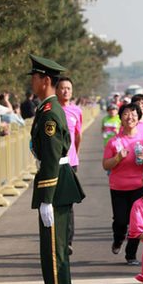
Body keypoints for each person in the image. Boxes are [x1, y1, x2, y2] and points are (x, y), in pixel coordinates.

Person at [26, 54, 85, 284]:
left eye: (34, 77)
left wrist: (46, 198)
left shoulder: (50, 113)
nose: (32, 82)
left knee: (54, 252)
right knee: (51, 250)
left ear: (45, 80)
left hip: (55, 185)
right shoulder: (46, 109)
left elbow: (51, 158)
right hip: (55, 182)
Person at [103, 103, 143, 265]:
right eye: (126, 114)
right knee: (120, 220)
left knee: (137, 222)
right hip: (118, 187)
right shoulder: (114, 142)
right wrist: (118, 158)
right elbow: (105, 165)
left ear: (139, 118)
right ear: (120, 118)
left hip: (140, 186)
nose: (130, 117)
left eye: (133, 114)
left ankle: (131, 255)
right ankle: (118, 239)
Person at [56, 76, 83, 255]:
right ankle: (55, 240)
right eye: (63, 88)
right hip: (53, 164)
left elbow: (78, 136)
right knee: (53, 203)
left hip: (70, 164)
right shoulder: (50, 110)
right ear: (56, 90)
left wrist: (74, 154)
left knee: (68, 203)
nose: (66, 91)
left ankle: (68, 240)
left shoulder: (76, 111)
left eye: (69, 89)